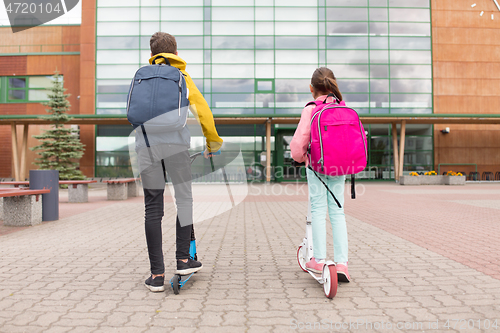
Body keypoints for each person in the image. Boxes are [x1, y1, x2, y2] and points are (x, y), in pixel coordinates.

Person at [139, 32, 223, 292]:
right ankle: (183, 260)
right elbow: (203, 112)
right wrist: (213, 143)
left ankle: (156, 276)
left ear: (152, 53)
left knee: (153, 209)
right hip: (176, 145)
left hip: (146, 145)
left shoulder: (142, 77)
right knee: (184, 200)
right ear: (175, 52)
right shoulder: (182, 77)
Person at [290, 67, 351, 282]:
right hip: (340, 165)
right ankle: (342, 264)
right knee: (338, 211)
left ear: (311, 88)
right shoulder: (343, 108)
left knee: (318, 208)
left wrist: (298, 157)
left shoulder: (311, 109)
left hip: (317, 165)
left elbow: (299, 144)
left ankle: (319, 259)